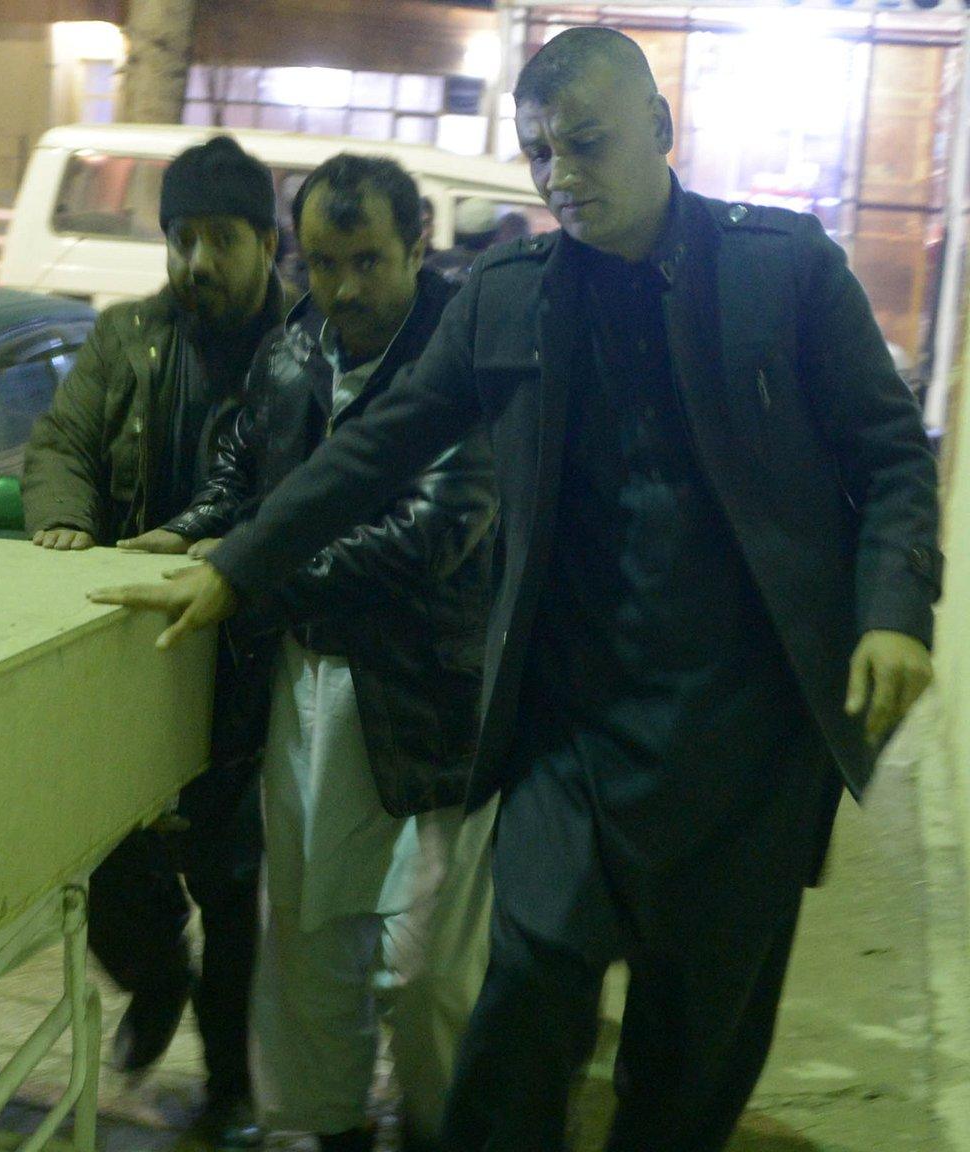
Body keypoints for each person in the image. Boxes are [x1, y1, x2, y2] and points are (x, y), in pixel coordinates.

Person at [92, 28, 942, 1152]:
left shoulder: (779, 270)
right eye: (538, 152)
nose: (558, 175)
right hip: (572, 733)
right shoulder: (509, 295)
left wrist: (889, 613)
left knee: (689, 1058)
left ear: (657, 128)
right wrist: (237, 566)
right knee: (522, 1001)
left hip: (747, 740)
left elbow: (889, 458)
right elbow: (379, 446)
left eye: (583, 144)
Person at [170, 154, 497, 1152]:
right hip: (305, 685)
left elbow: (433, 530)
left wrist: (244, 575)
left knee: (430, 968)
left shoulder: (463, 355)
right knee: (308, 938)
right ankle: (327, 1128)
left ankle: (450, 1130)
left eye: (366, 260)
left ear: (414, 247)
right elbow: (244, 468)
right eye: (319, 261)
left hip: (434, 698)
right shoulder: (293, 347)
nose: (343, 287)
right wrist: (189, 533)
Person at [22, 134, 290, 1150]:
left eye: (220, 239)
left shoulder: (302, 348)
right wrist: (61, 521)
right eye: (181, 238)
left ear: (265, 242)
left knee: (231, 887)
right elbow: (62, 443)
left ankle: (228, 1085)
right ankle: (152, 975)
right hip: (129, 653)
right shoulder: (127, 335)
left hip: (245, 659)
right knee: (99, 860)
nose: (196, 263)